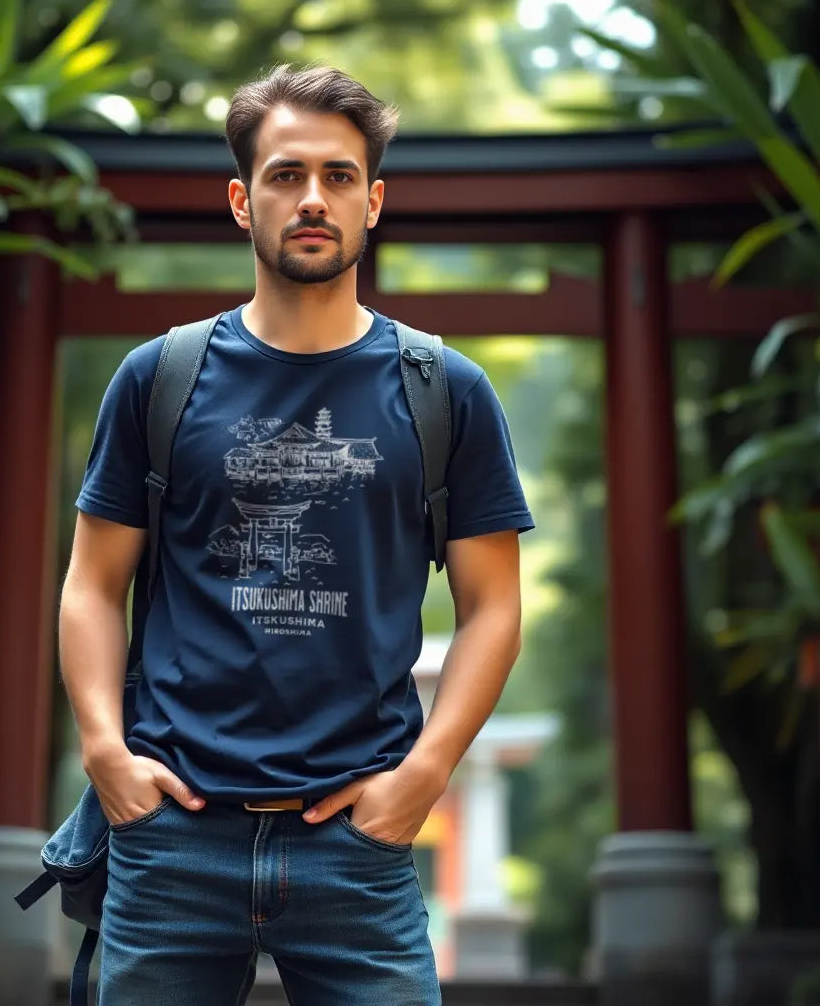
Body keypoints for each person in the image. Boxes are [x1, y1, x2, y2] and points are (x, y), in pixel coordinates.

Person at [59, 64, 534, 1006]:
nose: (312, 198)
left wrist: (425, 775)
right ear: (242, 200)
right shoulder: (160, 378)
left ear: (374, 201)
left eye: (339, 176)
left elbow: (494, 606)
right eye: (285, 175)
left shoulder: (445, 392)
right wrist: (106, 752)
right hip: (172, 839)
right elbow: (90, 584)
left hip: (358, 844)